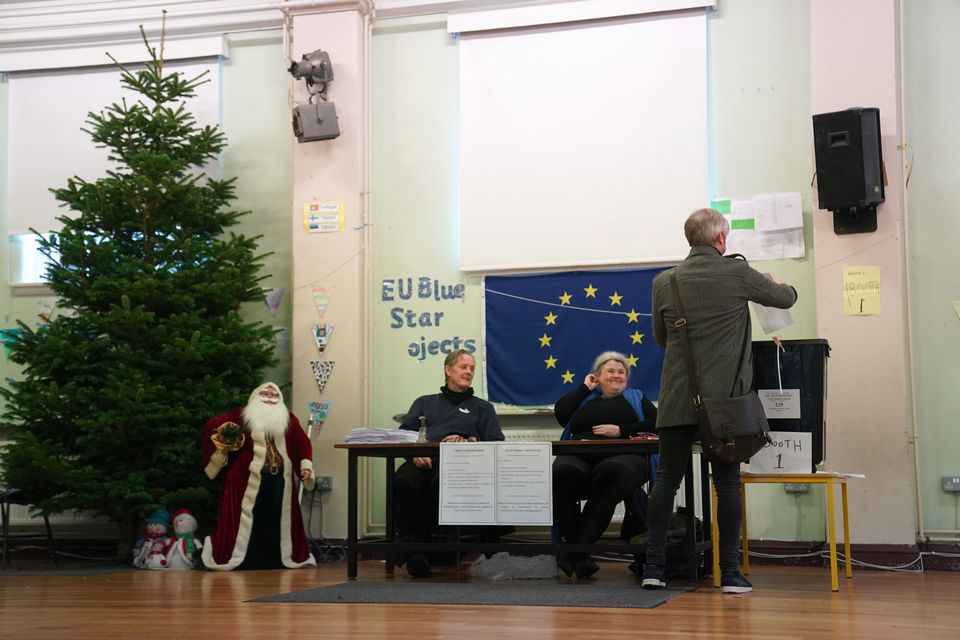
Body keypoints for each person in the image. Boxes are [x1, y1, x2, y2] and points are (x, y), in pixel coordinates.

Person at [642, 208, 798, 593]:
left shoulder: (665, 281)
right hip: (725, 405)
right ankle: (728, 573)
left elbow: (661, 338)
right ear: (721, 240)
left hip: (678, 398)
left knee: (665, 480)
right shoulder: (737, 272)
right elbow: (784, 298)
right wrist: (779, 283)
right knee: (726, 484)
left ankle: (654, 568)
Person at [394, 349, 504, 577]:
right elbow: (404, 435)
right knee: (402, 481)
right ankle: (411, 549)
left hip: (461, 466)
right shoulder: (424, 402)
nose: (469, 372)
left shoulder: (483, 408)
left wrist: (470, 441)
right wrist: (414, 453)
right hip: (424, 459)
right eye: (464, 367)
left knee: (439, 486)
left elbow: (496, 443)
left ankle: (419, 552)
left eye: (472, 368)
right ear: (448, 370)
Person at [553, 351, 658, 579]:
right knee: (562, 473)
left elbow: (657, 423)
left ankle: (572, 552)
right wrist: (584, 388)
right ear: (597, 376)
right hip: (579, 452)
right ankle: (579, 556)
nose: (617, 375)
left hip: (622, 455)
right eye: (610, 371)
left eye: (622, 372)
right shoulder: (586, 397)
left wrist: (621, 430)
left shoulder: (636, 397)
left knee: (610, 475)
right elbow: (561, 414)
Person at [200, 382, 316, 570]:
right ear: (255, 397)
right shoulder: (240, 416)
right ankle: (242, 558)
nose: (270, 397)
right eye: (265, 394)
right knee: (244, 523)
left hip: (279, 481)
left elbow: (302, 443)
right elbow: (213, 426)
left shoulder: (288, 419)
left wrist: (305, 465)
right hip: (244, 481)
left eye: (274, 395)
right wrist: (224, 441)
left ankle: (275, 558)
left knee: (275, 524)